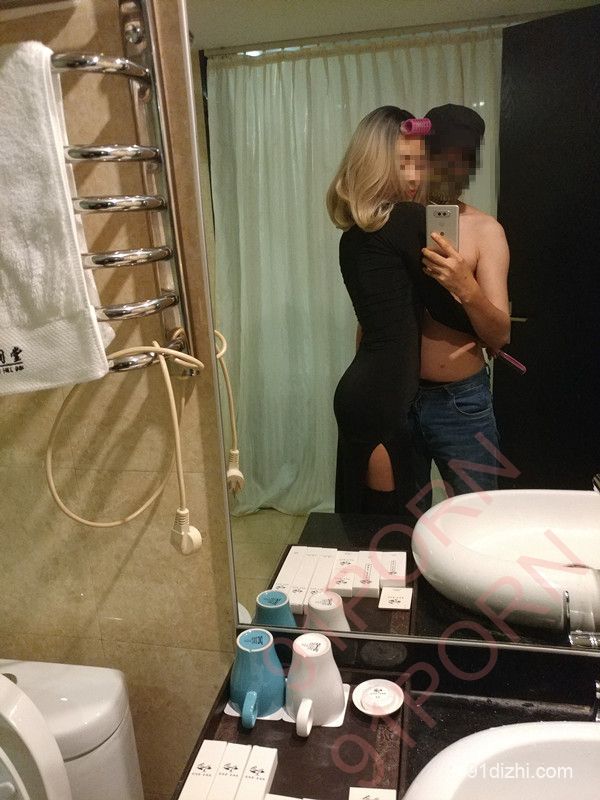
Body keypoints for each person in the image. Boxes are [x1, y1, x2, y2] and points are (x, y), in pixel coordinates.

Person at [326, 106, 475, 516]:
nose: (413, 176)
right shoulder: (408, 219)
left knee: (366, 522)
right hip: (384, 402)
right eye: (402, 162)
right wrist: (483, 316)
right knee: (390, 525)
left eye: (419, 163)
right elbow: (445, 308)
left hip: (365, 393)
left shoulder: (354, 234)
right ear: (376, 164)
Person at [409, 104, 511, 508]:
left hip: (461, 402)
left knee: (475, 517)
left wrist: (464, 286)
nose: (452, 166)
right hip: (398, 394)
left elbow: (500, 335)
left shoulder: (487, 231)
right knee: (399, 519)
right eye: (442, 154)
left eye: (463, 157)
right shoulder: (395, 223)